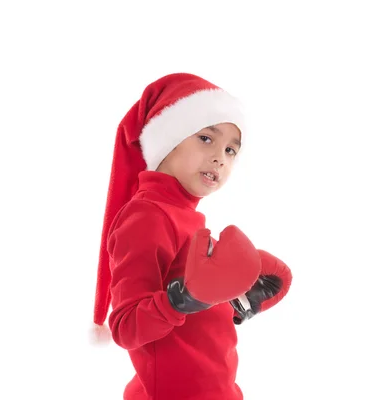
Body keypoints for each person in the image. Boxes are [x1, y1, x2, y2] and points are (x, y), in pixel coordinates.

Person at [92, 72, 293, 400]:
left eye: (231, 150)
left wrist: (230, 302)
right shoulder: (147, 216)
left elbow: (191, 297)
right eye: (206, 138)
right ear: (167, 139)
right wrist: (182, 298)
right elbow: (126, 327)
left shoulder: (183, 214)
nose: (220, 157)